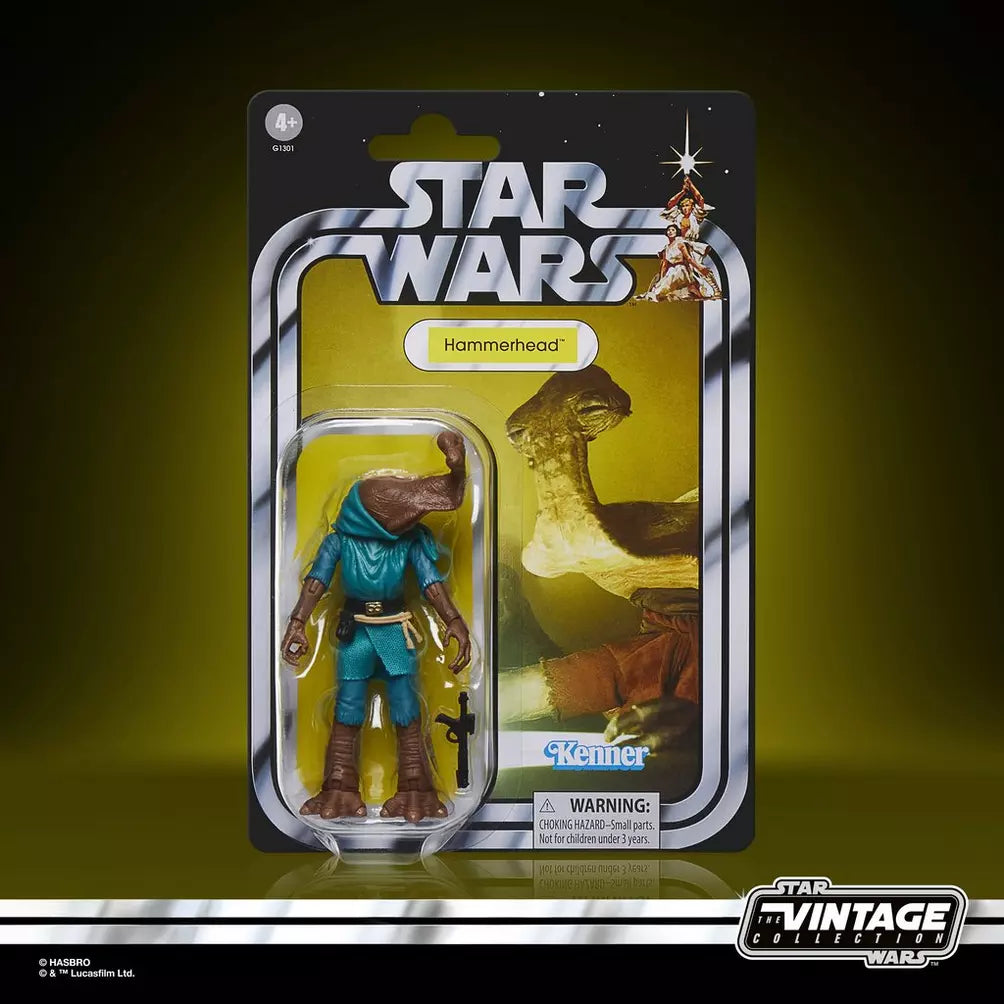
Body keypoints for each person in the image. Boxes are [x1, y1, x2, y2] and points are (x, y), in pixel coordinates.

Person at [280, 431, 471, 823]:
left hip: (396, 631)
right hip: (356, 632)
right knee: (348, 706)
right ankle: (338, 785)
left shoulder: (408, 542)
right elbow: (315, 582)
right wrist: (297, 622)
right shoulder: (339, 541)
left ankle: (416, 787)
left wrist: (454, 621)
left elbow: (432, 584)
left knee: (405, 706)